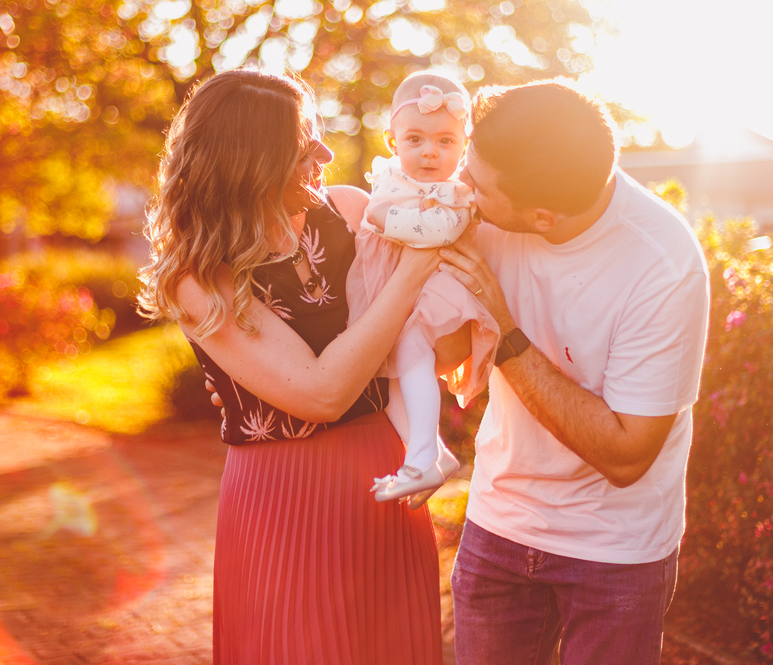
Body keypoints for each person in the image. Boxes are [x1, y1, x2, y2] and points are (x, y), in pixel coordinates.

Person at [138, 70, 443, 665]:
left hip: (382, 478)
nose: (326, 153)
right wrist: (410, 276)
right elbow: (321, 394)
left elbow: (436, 323)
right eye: (305, 142)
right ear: (250, 159)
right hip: (284, 499)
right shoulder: (201, 277)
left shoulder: (352, 211)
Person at [436, 79, 711, 665]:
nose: (462, 188)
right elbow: (443, 354)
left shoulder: (664, 265)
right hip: (499, 525)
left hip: (616, 549)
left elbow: (627, 454)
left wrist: (507, 334)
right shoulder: (482, 213)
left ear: (541, 217)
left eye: (477, 185)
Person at [347, 72, 500, 505]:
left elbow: (440, 231)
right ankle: (435, 454)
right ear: (392, 141)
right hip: (393, 286)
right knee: (388, 372)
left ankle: (418, 460)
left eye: (445, 142)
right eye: (415, 139)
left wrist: (384, 218)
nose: (430, 152)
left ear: (464, 145)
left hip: (435, 290)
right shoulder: (390, 177)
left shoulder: (457, 194)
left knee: (412, 348)